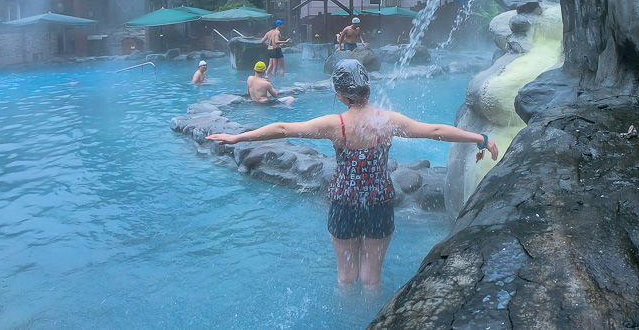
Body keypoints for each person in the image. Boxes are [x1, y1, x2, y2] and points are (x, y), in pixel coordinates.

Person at [207, 59, 498, 288]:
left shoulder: (335, 124)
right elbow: (435, 131)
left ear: (339, 94)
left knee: (345, 279)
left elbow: (283, 128)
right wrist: (480, 138)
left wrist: (237, 138)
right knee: (372, 279)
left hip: (344, 203)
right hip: (379, 203)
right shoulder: (387, 121)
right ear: (368, 89)